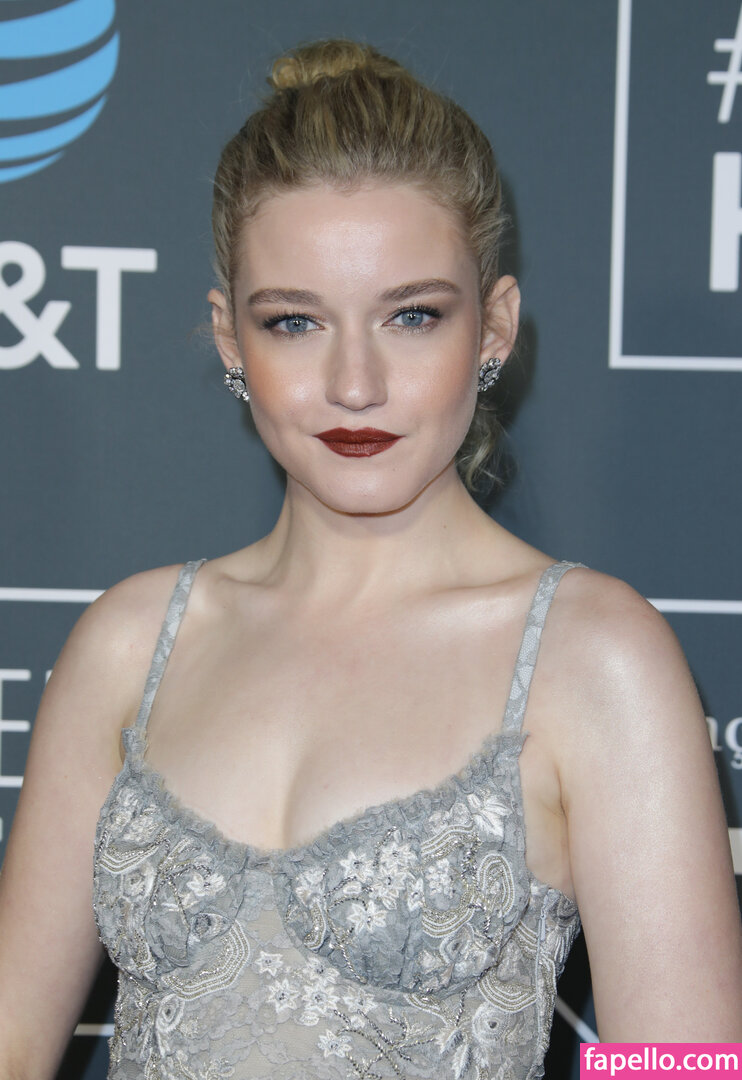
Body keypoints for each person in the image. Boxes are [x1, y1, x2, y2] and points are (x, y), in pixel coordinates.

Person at [1, 37, 741, 1080]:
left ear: (494, 328)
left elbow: (682, 1063)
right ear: (230, 339)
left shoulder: (593, 658)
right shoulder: (130, 643)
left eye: (412, 315)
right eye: (294, 322)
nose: (355, 384)